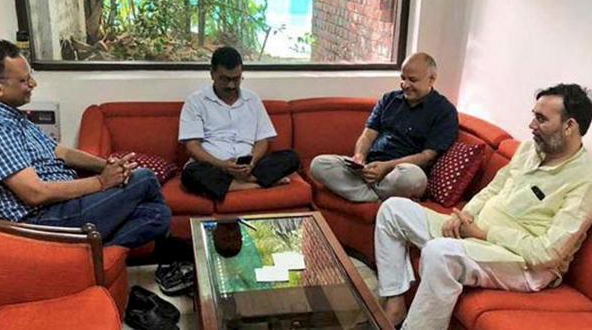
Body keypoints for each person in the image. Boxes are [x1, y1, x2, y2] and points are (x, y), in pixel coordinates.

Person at [374, 83, 592, 330]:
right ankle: (394, 304)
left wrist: (483, 234)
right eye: (534, 116)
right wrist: (463, 216)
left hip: (523, 263)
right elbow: (494, 188)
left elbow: (546, 253)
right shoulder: (530, 149)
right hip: (476, 235)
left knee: (440, 253)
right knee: (393, 210)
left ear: (569, 126)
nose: (531, 126)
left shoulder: (586, 179)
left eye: (541, 119)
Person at [0, 38, 172, 249]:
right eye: (24, 80)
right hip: (41, 220)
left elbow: (60, 151)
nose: (33, 84)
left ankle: (94, 254)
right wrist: (101, 182)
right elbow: (35, 193)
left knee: (158, 215)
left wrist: (108, 166)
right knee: (144, 178)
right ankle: (85, 259)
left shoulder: (9, 114)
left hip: (61, 205)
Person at [310, 52, 458, 202]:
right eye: (403, 78)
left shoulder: (444, 111)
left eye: (412, 80)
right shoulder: (389, 99)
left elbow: (427, 157)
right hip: (369, 169)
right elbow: (368, 135)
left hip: (399, 174)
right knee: (319, 164)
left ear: (431, 79)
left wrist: (386, 167)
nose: (405, 85)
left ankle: (366, 194)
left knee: (413, 177)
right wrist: (359, 157)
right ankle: (375, 197)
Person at [179, 46, 300, 201]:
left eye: (236, 79)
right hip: (215, 166)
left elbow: (262, 139)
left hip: (250, 166)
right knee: (190, 174)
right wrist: (223, 165)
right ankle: (254, 184)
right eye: (225, 79)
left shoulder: (253, 99)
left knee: (292, 157)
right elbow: (192, 146)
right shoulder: (196, 101)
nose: (231, 85)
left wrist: (252, 162)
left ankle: (238, 183)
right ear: (212, 74)